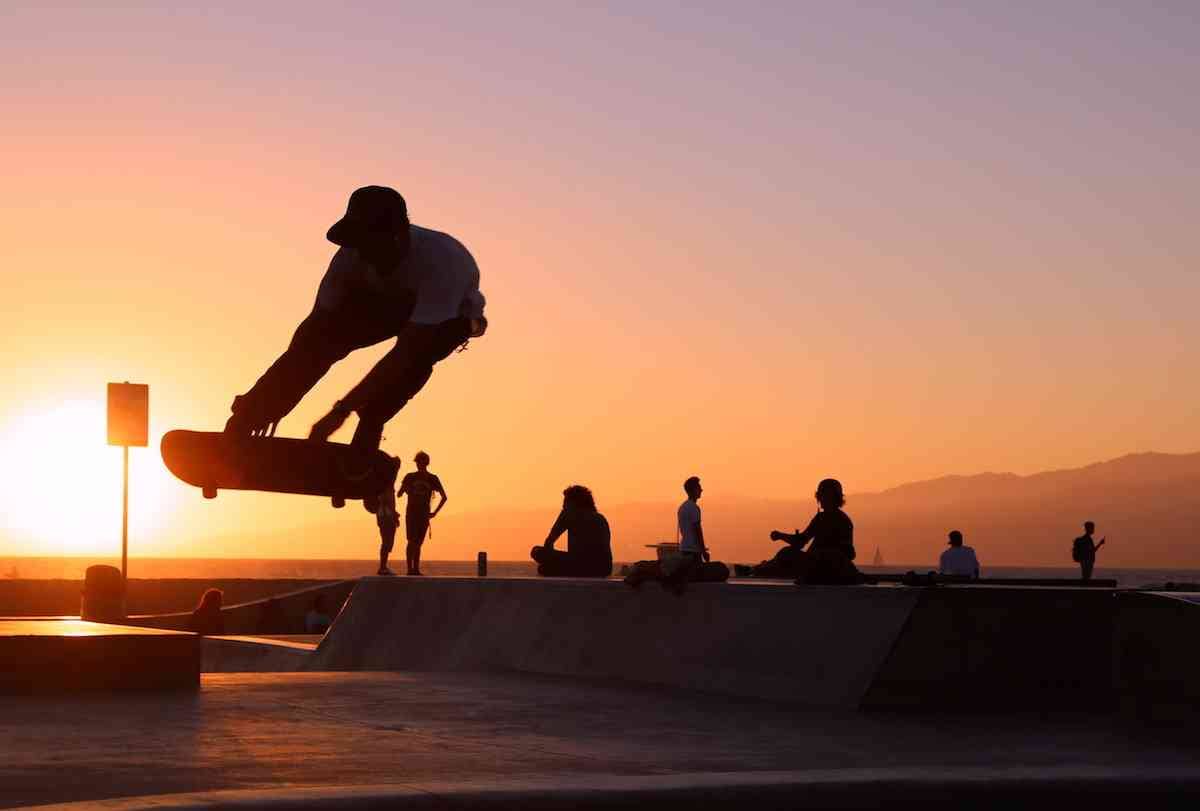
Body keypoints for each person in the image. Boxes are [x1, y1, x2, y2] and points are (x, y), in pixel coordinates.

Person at [223, 186, 487, 509]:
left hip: (452, 319)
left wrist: (341, 411)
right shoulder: (349, 259)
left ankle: (369, 434)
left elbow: (403, 356)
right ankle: (246, 419)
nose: (364, 253)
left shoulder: (442, 263)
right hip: (383, 307)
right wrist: (270, 402)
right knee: (317, 344)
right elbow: (308, 340)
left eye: (372, 244)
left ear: (397, 234)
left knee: (412, 364)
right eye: (359, 245)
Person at [761, 478, 859, 585]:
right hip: (815, 564)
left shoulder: (841, 521)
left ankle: (762, 568)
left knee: (786, 554)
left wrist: (780, 536)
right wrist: (781, 536)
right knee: (786, 553)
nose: (821, 499)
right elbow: (801, 541)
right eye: (821, 495)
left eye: (824, 495)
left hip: (823, 566)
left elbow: (849, 553)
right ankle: (764, 567)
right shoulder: (821, 518)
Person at [624, 477, 710, 593]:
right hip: (693, 551)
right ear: (694, 490)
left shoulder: (682, 508)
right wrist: (703, 551)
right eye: (699, 488)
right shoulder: (694, 508)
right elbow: (697, 531)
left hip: (683, 549)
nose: (701, 490)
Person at [531, 485, 613, 577]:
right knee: (545, 567)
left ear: (574, 503)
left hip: (584, 566)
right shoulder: (600, 518)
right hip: (604, 569)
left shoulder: (571, 516)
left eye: (566, 502)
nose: (563, 506)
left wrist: (564, 515)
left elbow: (549, 542)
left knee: (537, 552)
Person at [398, 451, 446, 576]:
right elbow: (399, 494)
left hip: (423, 514)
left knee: (417, 543)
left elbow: (444, 497)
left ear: (426, 463)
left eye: (421, 462)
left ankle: (415, 569)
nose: (420, 465)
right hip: (413, 513)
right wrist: (404, 489)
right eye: (419, 462)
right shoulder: (410, 477)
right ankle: (410, 570)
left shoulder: (432, 478)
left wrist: (434, 512)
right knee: (412, 541)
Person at [375, 471, 401, 575]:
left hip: (385, 516)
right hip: (386, 517)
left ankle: (383, 566)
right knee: (387, 541)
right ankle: (382, 567)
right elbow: (386, 501)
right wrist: (394, 515)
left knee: (388, 542)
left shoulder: (385, 485)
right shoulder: (385, 485)